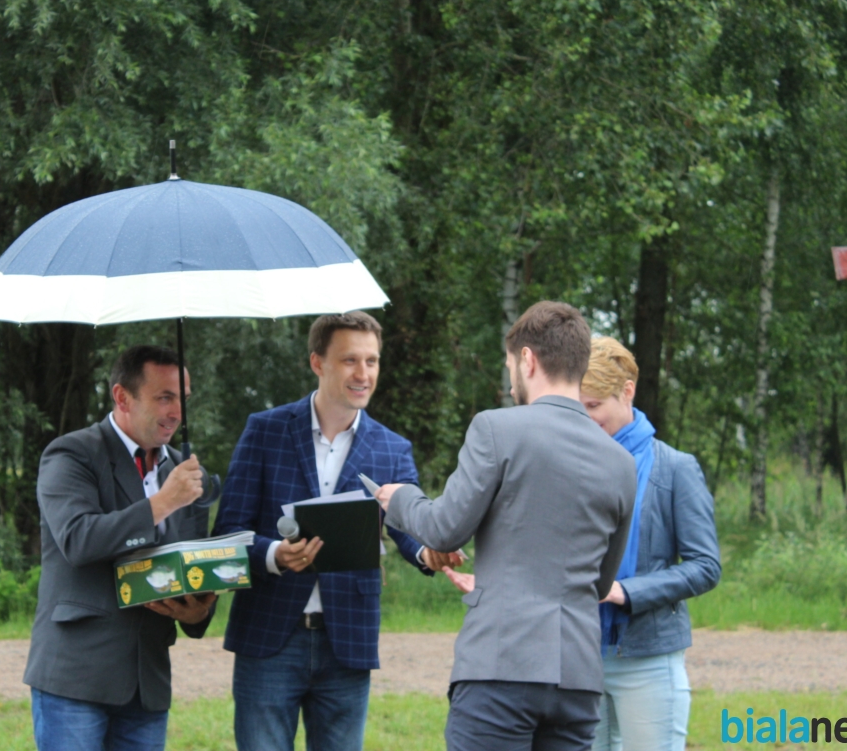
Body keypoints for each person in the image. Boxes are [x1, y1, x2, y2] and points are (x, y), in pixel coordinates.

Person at [375, 301, 636, 751]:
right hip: (578, 679)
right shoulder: (621, 461)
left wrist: (399, 499)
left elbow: (444, 529)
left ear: (527, 360)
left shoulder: (495, 429)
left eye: (509, 364)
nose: (510, 377)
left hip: (502, 666)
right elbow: (600, 582)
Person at [213, 311, 460, 751]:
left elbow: (408, 525)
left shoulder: (392, 448)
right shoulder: (265, 430)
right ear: (317, 362)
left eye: (372, 361)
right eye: (350, 360)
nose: (363, 374)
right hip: (269, 636)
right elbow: (230, 529)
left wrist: (428, 553)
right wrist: (274, 555)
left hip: (348, 638)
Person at [24, 345, 216, 751]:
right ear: (122, 397)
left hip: (147, 683)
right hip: (76, 677)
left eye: (183, 398)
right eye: (164, 397)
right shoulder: (71, 454)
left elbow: (191, 564)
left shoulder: (186, 474)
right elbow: (78, 540)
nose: (177, 412)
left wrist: (198, 611)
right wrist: (163, 502)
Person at [579, 337, 720, 751]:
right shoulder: (569, 465)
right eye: (578, 407)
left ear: (627, 391)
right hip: (577, 657)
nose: (585, 419)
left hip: (649, 662)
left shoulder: (676, 468)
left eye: (594, 406)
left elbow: (705, 566)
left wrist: (625, 592)